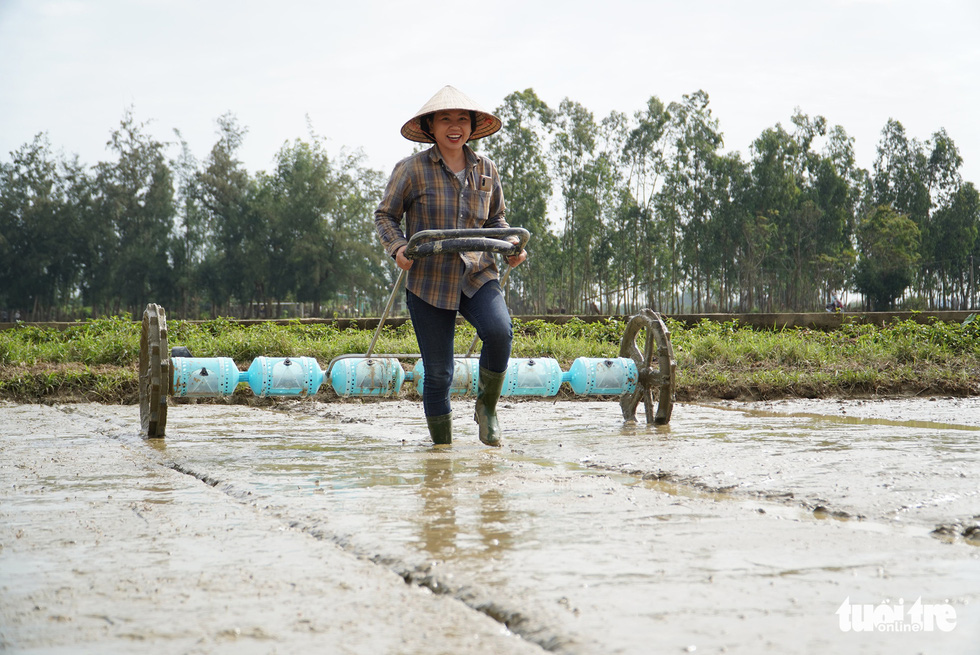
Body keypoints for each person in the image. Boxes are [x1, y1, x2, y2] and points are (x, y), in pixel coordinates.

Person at [374, 85, 527, 447]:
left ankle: (486, 408)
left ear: (473, 127)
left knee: (500, 332)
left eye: (462, 119)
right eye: (445, 119)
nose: (454, 126)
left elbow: (496, 219)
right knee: (439, 373)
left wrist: (511, 246)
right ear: (431, 126)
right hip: (429, 281)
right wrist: (398, 247)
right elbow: (385, 215)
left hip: (477, 273)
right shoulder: (411, 170)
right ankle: (442, 451)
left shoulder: (486, 169)